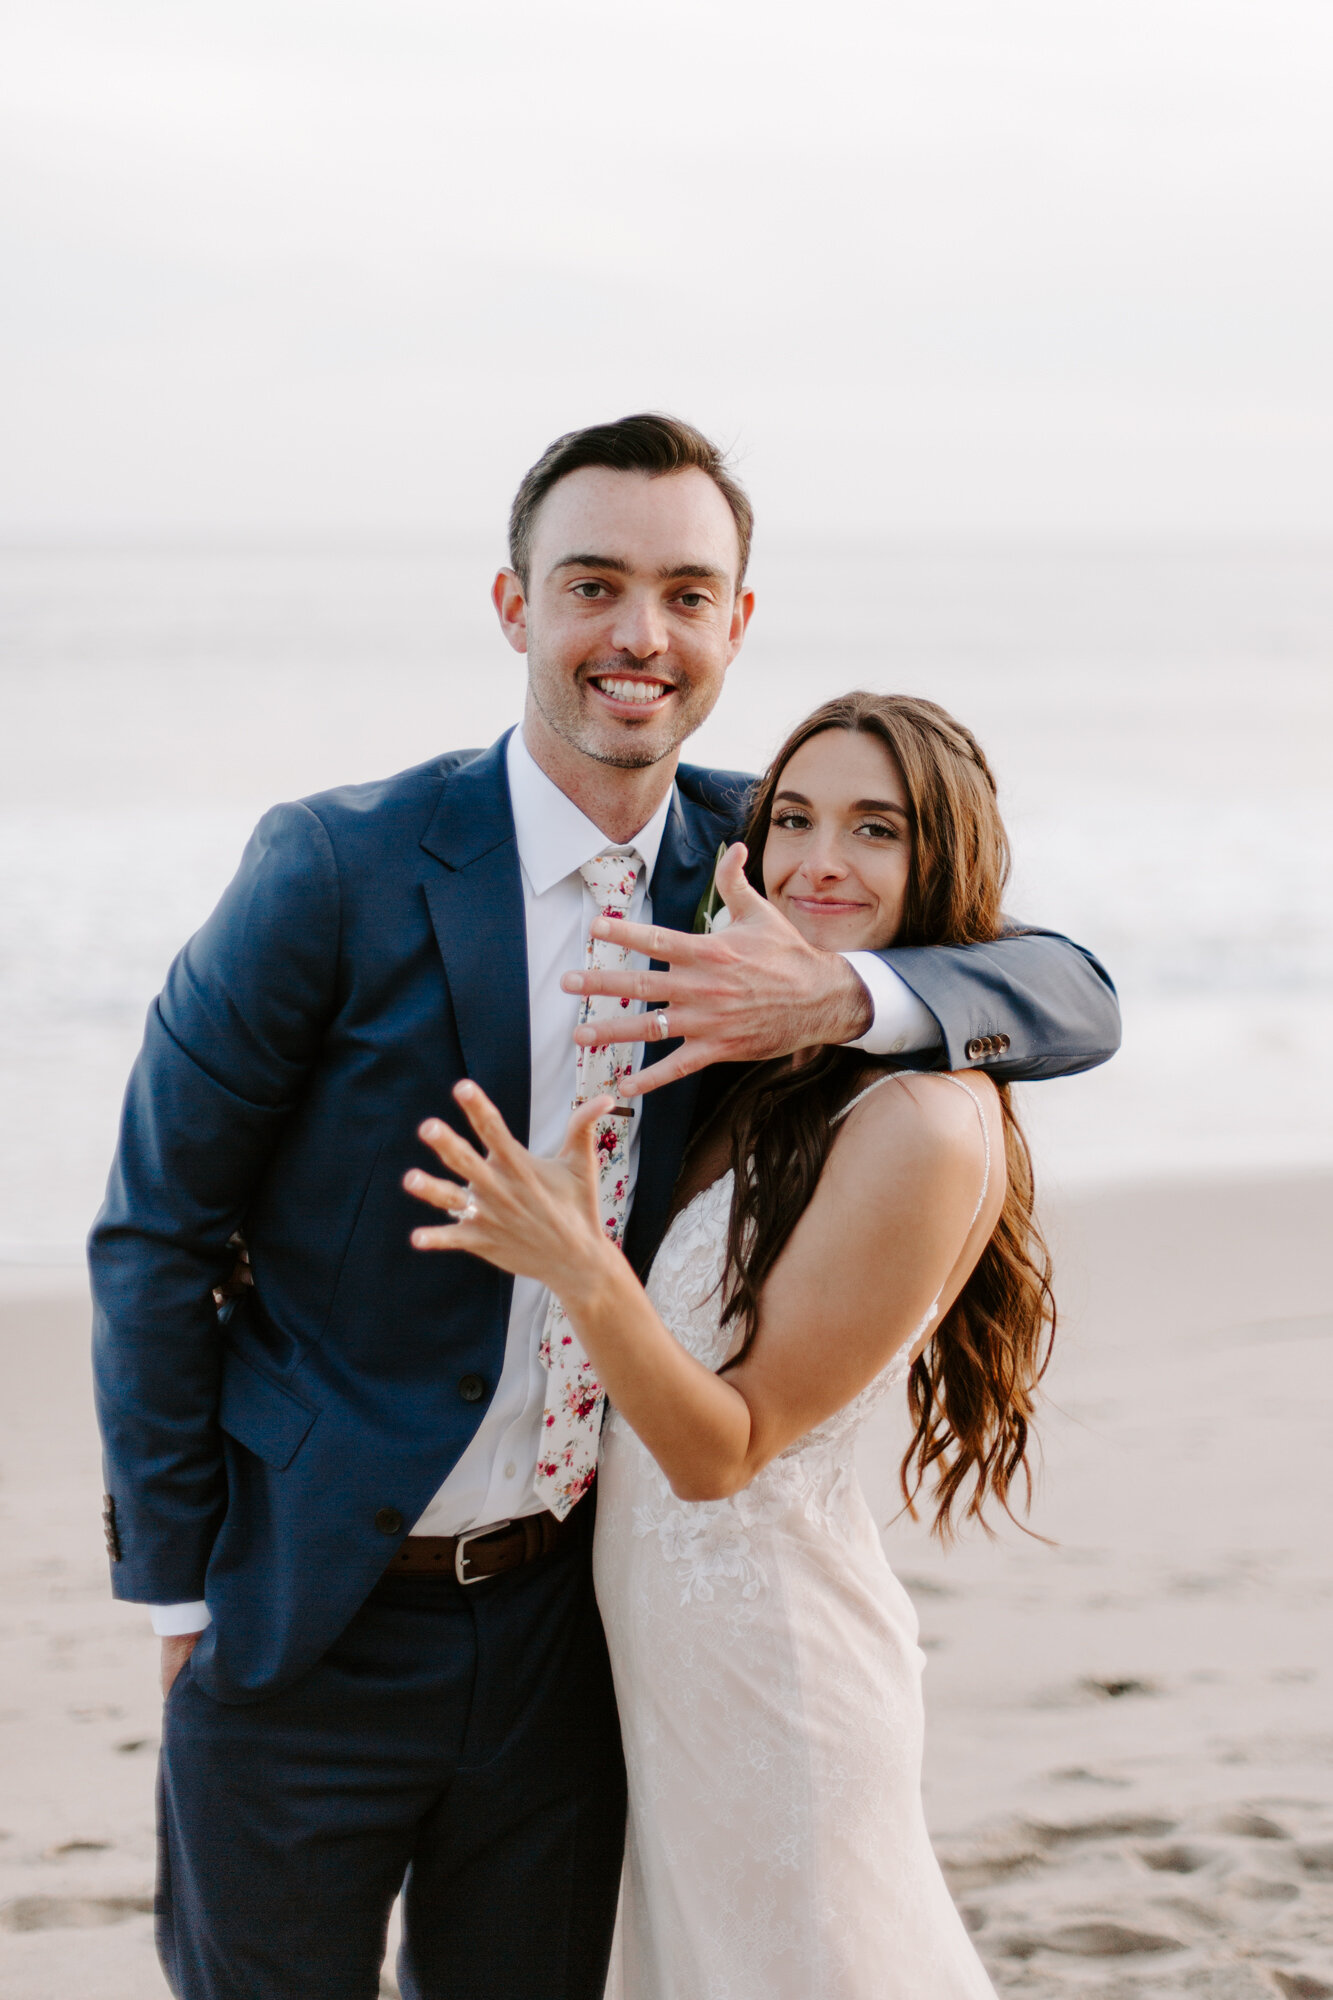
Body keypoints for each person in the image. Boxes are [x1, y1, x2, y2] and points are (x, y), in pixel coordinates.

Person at [89, 415, 1118, 2000]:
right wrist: (178, 1590)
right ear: (513, 607)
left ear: (734, 627)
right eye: (593, 585)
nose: (640, 635)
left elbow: (1067, 995)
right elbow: (156, 1234)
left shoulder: (767, 862)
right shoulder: (336, 865)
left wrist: (835, 997)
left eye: (686, 593)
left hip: (573, 1641)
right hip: (306, 1619)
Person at [406, 691, 1038, 1998]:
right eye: (793, 818)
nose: (819, 860)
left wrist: (581, 1268)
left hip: (776, 1677)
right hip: (664, 1666)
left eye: (877, 830)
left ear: (942, 865)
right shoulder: (782, 1076)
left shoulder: (919, 1122)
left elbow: (723, 1448)